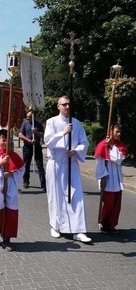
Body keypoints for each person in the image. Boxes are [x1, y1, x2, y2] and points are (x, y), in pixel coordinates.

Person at [44, 95, 92, 243]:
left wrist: (76, 150)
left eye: (69, 104)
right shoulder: (51, 122)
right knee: (56, 196)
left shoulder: (77, 123)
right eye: (64, 104)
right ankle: (55, 226)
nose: (67, 107)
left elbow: (85, 142)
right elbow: (48, 142)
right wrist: (63, 133)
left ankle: (78, 229)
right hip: (57, 164)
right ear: (58, 106)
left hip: (71, 163)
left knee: (76, 196)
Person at [95, 123, 127, 234]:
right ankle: (104, 223)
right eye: (116, 131)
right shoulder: (102, 145)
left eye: (120, 132)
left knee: (116, 205)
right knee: (108, 204)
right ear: (110, 131)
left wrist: (112, 146)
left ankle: (111, 225)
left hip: (117, 179)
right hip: (108, 179)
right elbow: (99, 163)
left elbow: (118, 159)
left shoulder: (120, 145)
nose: (118, 134)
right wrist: (102, 176)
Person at [19, 111, 46, 192]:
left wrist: (36, 132)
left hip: (37, 146)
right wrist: (29, 140)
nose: (28, 118)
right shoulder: (25, 124)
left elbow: (43, 135)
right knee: (26, 164)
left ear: (33, 117)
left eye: (30, 116)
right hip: (27, 146)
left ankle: (43, 183)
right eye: (27, 116)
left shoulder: (39, 124)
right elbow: (20, 135)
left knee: (40, 165)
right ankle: (26, 181)